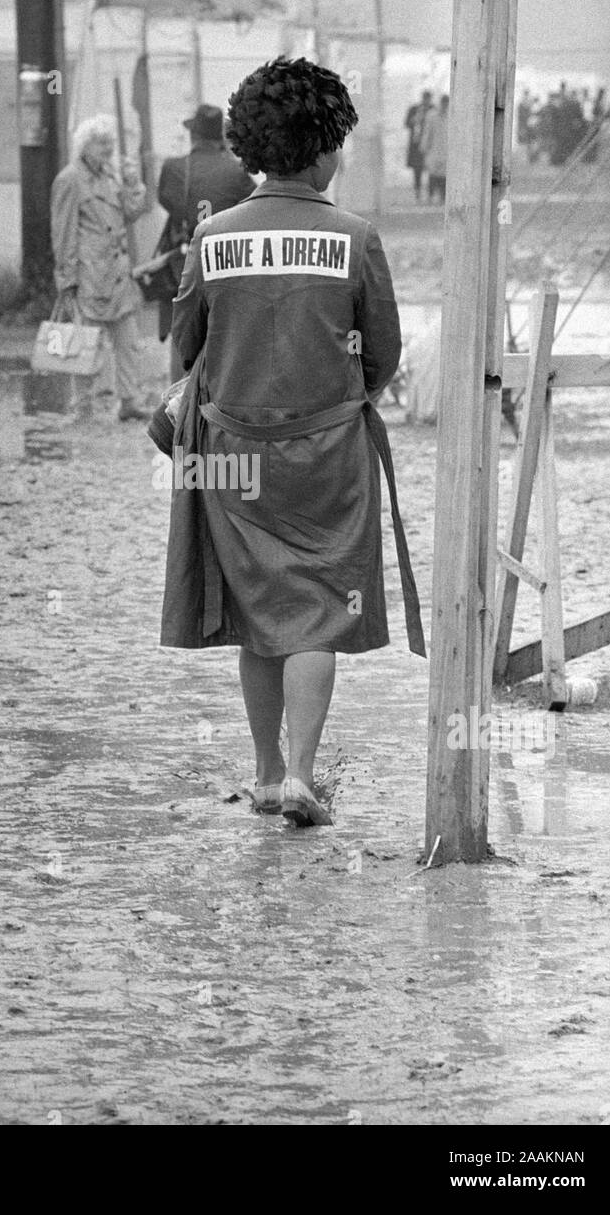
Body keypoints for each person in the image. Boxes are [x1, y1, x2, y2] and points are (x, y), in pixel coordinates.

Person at [161, 56, 425, 828]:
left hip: (232, 455)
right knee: (317, 611)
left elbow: (185, 347)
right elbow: (383, 353)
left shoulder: (212, 237)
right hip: (328, 457)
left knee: (257, 612)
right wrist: (341, 398)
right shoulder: (354, 235)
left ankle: (269, 774)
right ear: (320, 149)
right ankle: (306, 774)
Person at [50, 114, 149, 423]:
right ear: (85, 145)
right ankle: (82, 404)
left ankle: (129, 401)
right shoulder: (70, 179)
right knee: (86, 343)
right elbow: (62, 232)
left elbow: (132, 212)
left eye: (111, 142)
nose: (108, 148)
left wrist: (133, 182)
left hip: (118, 271)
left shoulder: (111, 175)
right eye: (102, 142)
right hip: (90, 273)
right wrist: (66, 278)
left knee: (128, 341)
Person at [157, 104, 255, 378]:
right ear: (220, 137)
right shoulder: (237, 172)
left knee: (182, 332)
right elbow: (252, 207)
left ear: (193, 136)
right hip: (227, 262)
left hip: (184, 260)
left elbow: (165, 200)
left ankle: (178, 403)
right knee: (223, 333)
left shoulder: (173, 168)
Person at [404, 90, 432, 202]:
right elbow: (406, 123)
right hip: (416, 144)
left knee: (432, 168)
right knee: (417, 169)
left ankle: (431, 193)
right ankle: (418, 192)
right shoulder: (414, 109)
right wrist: (415, 119)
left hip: (430, 144)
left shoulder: (433, 110)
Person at [422, 93, 449, 204]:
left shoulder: (451, 115)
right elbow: (427, 132)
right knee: (432, 172)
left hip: (446, 149)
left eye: (446, 104)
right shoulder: (432, 115)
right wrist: (424, 147)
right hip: (434, 148)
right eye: (443, 103)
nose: (444, 106)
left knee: (444, 174)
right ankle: (430, 196)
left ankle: (443, 197)